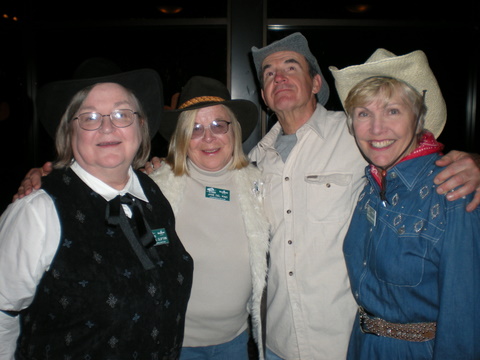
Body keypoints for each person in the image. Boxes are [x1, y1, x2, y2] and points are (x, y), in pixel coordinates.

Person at [247, 32, 480, 359]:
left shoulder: (353, 135)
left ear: (316, 84)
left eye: (290, 67)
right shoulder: (254, 162)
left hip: (340, 342)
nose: (279, 77)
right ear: (263, 94)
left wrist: (475, 164)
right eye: (269, 73)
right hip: (279, 340)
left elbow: (417, 157)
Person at [13, 76, 270, 359]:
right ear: (181, 136)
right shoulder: (157, 184)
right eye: (195, 128)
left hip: (234, 341)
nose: (208, 137)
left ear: (235, 130)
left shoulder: (263, 187)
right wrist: (47, 177)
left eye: (218, 125)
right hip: (174, 342)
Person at [0, 70, 193, 359]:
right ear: (69, 131)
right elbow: (3, 311)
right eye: (89, 117)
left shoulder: (152, 194)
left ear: (140, 126)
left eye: (121, 115)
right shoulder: (37, 211)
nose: (107, 128)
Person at [329, 48, 480, 359]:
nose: (376, 129)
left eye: (393, 111)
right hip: (363, 346)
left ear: (418, 118)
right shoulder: (370, 185)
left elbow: (465, 315)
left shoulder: (452, 190)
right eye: (364, 113)